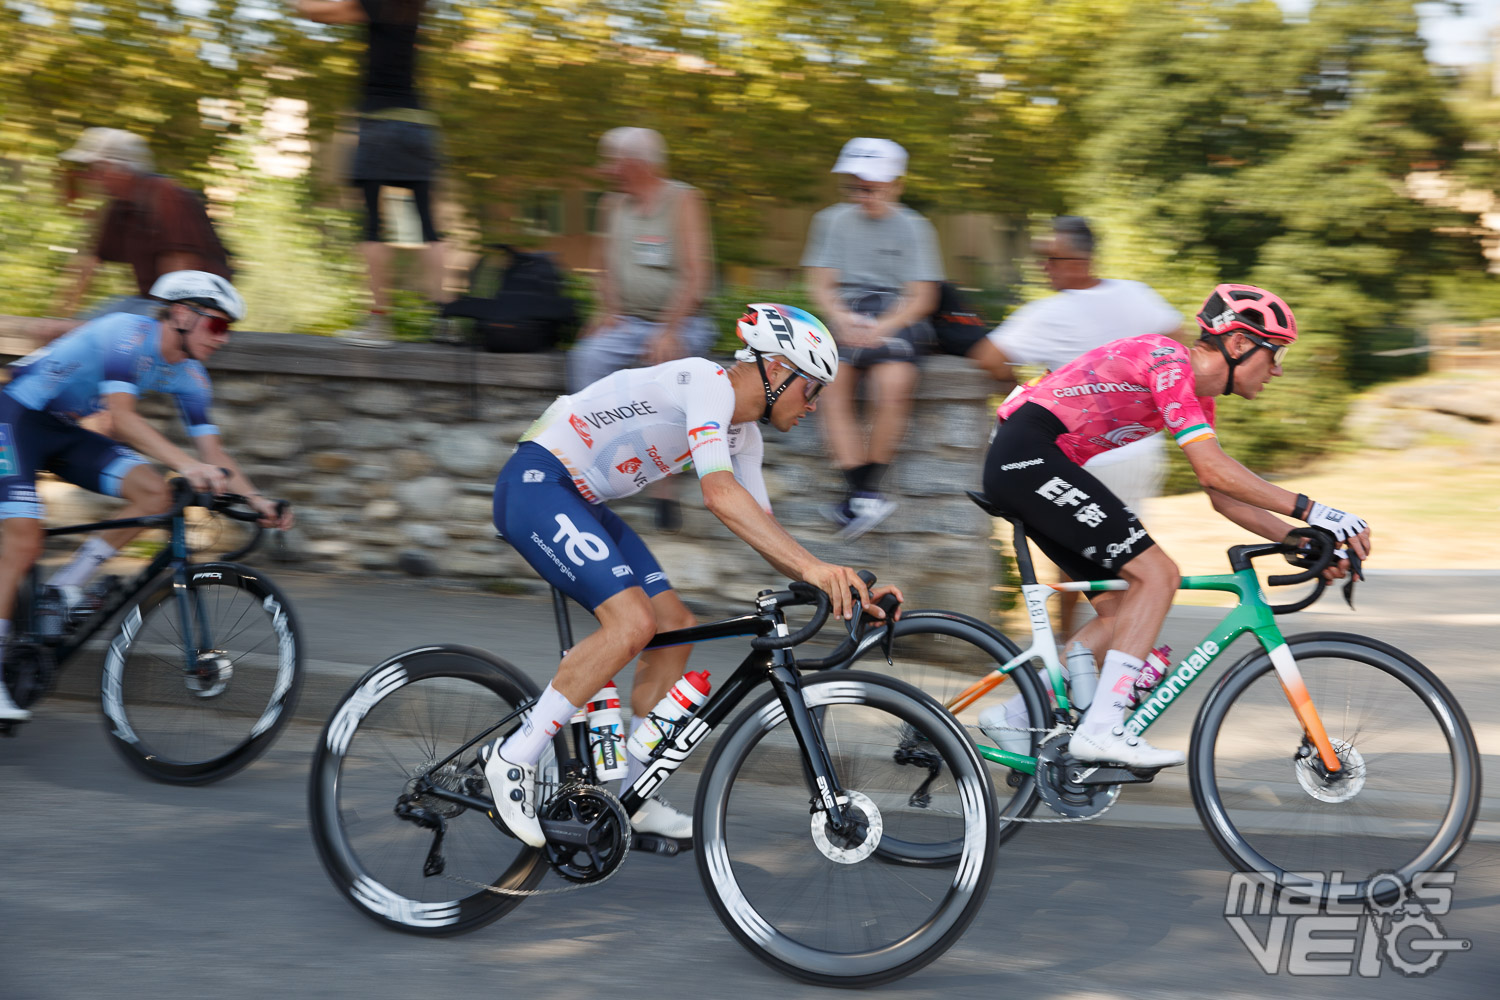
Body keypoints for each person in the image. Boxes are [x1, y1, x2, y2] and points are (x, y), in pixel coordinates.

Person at [485, 304, 901, 847]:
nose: (814, 405)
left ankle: (629, 793)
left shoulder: (742, 436)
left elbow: (764, 531)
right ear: (776, 369)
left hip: (581, 500)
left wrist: (846, 588)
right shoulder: (709, 383)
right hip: (539, 482)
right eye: (811, 388)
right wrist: (817, 570)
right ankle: (514, 758)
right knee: (631, 623)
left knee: (672, 626)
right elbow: (719, 495)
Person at [978, 284, 1370, 768]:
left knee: (1123, 613)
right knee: (1158, 574)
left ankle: (1015, 715)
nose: (1278, 369)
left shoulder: (1198, 396)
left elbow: (1222, 495)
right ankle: (1102, 728)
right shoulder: (1168, 360)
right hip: (1029, 457)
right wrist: (1318, 511)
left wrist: (1299, 540)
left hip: (1034, 463)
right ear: (1241, 344)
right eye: (1275, 354)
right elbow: (1212, 470)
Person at [0, 272, 293, 723]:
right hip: (15, 415)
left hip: (62, 431)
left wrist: (258, 501)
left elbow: (213, 454)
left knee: (155, 493)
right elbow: (120, 418)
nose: (222, 339)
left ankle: (62, 588)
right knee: (23, 539)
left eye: (227, 330)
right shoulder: (126, 334)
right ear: (180, 314)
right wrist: (188, 466)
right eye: (216, 326)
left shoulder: (191, 376)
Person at [971, 216, 1183, 636]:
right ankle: (1106, 663)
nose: (1044, 267)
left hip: (1078, 454)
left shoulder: (1050, 311)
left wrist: (1029, 394)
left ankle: (1079, 659)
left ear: (1082, 260)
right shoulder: (1135, 295)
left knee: (1084, 566)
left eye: (1053, 258)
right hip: (1138, 453)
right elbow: (1178, 339)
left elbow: (987, 357)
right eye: (1041, 259)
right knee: (1128, 565)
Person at [570, 126, 717, 532]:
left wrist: (669, 329)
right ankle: (592, 475)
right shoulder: (611, 205)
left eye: (611, 161)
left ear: (635, 164)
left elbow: (696, 275)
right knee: (587, 357)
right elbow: (601, 265)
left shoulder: (683, 200)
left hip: (682, 320)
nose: (606, 170)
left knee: (669, 371)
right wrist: (606, 308)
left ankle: (664, 493)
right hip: (629, 320)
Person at [802, 137, 943, 539]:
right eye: (856, 186)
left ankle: (865, 489)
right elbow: (820, 284)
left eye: (873, 186)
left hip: (897, 312)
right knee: (831, 384)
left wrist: (882, 328)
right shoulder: (830, 221)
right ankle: (859, 493)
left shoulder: (916, 227)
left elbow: (922, 297)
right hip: (846, 310)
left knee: (893, 383)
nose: (863, 195)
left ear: (895, 184)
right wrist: (841, 317)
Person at [295, 0, 447, 346]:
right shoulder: (416, 5)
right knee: (428, 227)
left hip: (379, 123)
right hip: (419, 123)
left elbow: (314, 12)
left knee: (373, 228)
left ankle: (379, 323)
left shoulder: (377, 3)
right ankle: (443, 321)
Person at [48, 128, 233, 336]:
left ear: (115, 169)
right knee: (61, 331)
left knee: (88, 332)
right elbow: (89, 263)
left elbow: (180, 277)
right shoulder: (120, 206)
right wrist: (60, 318)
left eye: (94, 168)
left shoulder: (167, 197)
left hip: (190, 308)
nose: (90, 176)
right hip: (151, 302)